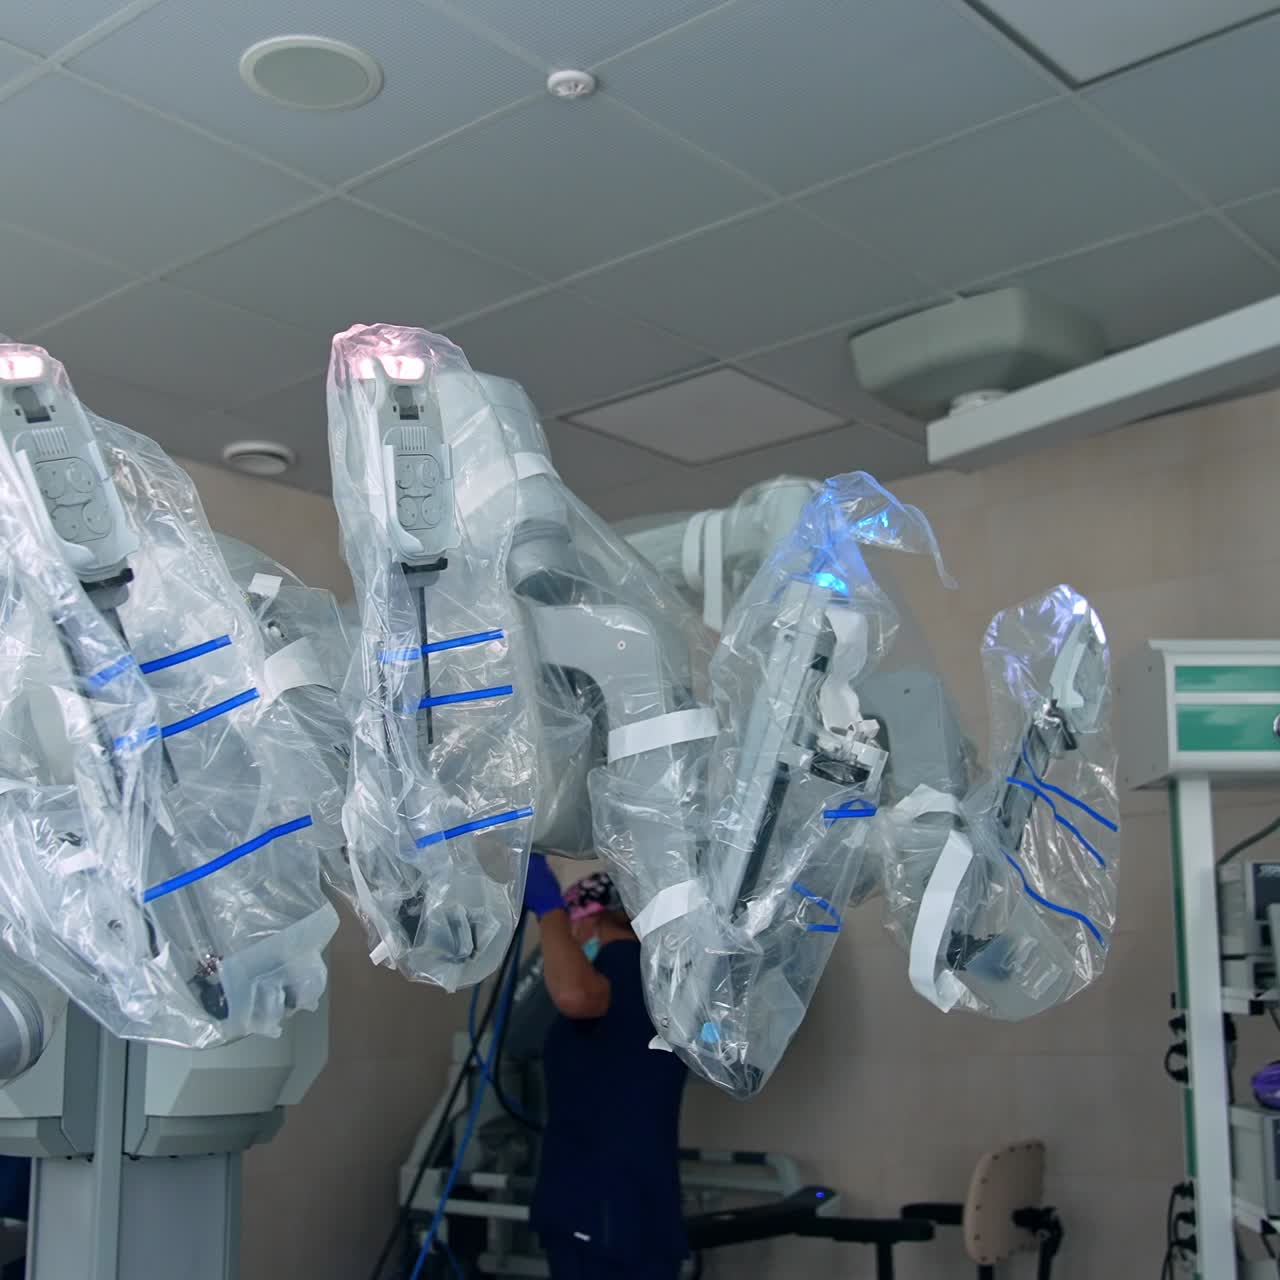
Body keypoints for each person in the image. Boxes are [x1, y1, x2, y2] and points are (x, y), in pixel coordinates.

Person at [522, 853, 689, 1280]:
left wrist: (548, 910)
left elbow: (576, 996)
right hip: (631, 1208)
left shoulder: (624, 968)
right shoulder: (663, 984)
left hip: (602, 1209)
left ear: (586, 922)